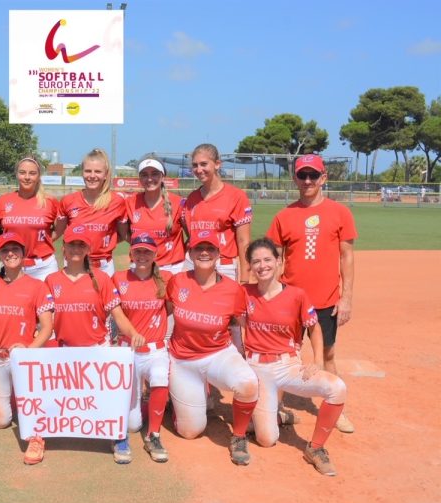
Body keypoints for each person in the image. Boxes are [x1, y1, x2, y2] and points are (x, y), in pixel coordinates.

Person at [266, 154, 357, 433]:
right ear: (295, 178)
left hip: (326, 300)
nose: (307, 180)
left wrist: (346, 298)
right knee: (283, 356)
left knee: (328, 354)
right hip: (291, 300)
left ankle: (335, 408)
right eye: (302, 175)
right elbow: (274, 259)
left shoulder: (340, 213)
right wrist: (271, 297)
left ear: (323, 178)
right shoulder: (284, 216)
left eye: (313, 175)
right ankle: (274, 408)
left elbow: (347, 256)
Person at [242, 237, 347, 476]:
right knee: (267, 439)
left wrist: (317, 361)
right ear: (250, 266)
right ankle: (277, 416)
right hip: (258, 368)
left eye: (268, 259)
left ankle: (316, 448)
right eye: (256, 261)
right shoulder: (244, 293)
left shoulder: (297, 295)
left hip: (287, 365)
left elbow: (314, 327)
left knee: (337, 388)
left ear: (279, 261)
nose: (262, 266)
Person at [45, 225, 145, 464]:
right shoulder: (51, 280)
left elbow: (118, 315)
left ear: (88, 250)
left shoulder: (100, 279)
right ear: (64, 248)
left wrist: (134, 333)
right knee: (58, 399)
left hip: (97, 349)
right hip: (66, 351)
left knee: (111, 400)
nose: (76, 249)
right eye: (72, 244)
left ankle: (118, 435)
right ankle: (40, 432)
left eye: (81, 245)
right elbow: (44, 321)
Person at [166, 229, 258, 465]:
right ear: (190, 253)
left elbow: (245, 324)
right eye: (199, 248)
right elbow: (161, 312)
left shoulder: (233, 289)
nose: (204, 253)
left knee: (248, 383)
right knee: (190, 431)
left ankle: (239, 436)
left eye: (210, 249)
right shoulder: (177, 282)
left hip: (218, 354)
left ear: (218, 254)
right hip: (183, 361)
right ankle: (181, 401)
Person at [0, 232, 54, 464]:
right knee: (1, 421)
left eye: (15, 249)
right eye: (5, 250)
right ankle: (13, 398)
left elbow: (47, 327)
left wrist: (29, 350)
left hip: (22, 356)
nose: (10, 253)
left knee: (30, 408)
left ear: (24, 254)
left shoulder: (37, 286)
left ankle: (36, 437)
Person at [112, 234, 172, 463]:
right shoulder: (119, 278)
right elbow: (117, 315)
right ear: (131, 254)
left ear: (155, 255)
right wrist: (132, 333)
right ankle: (151, 405)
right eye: (138, 251)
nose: (142, 256)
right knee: (133, 424)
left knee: (160, 375)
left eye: (147, 251)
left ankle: (154, 435)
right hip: (128, 350)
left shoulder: (165, 279)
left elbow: (169, 308)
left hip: (155, 350)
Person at [182, 144, 252, 283]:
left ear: (217, 164)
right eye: (195, 165)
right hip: (194, 263)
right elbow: (190, 235)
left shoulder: (236, 196)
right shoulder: (192, 198)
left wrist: (245, 278)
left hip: (222, 265)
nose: (199, 170)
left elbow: (243, 241)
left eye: (204, 164)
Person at [59, 148, 127, 277]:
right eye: (88, 171)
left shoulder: (117, 202)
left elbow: (123, 234)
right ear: (82, 172)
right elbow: (59, 233)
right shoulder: (68, 201)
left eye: (98, 171)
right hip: (75, 264)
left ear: (106, 174)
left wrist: (105, 242)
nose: (92, 176)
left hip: (104, 267)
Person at [0, 155, 66, 281]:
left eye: (32, 173)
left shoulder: (50, 202)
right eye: (22, 172)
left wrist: (42, 239)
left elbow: (58, 230)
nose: (27, 177)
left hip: (43, 267)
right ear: (16, 174)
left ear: (39, 176)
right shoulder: (3, 201)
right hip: (11, 264)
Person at [121, 157, 186, 274]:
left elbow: (192, 236)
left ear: (163, 176)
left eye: (154, 174)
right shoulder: (130, 202)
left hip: (171, 268)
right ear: (140, 178)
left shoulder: (178, 203)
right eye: (144, 175)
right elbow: (123, 232)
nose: (149, 179)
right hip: (140, 265)